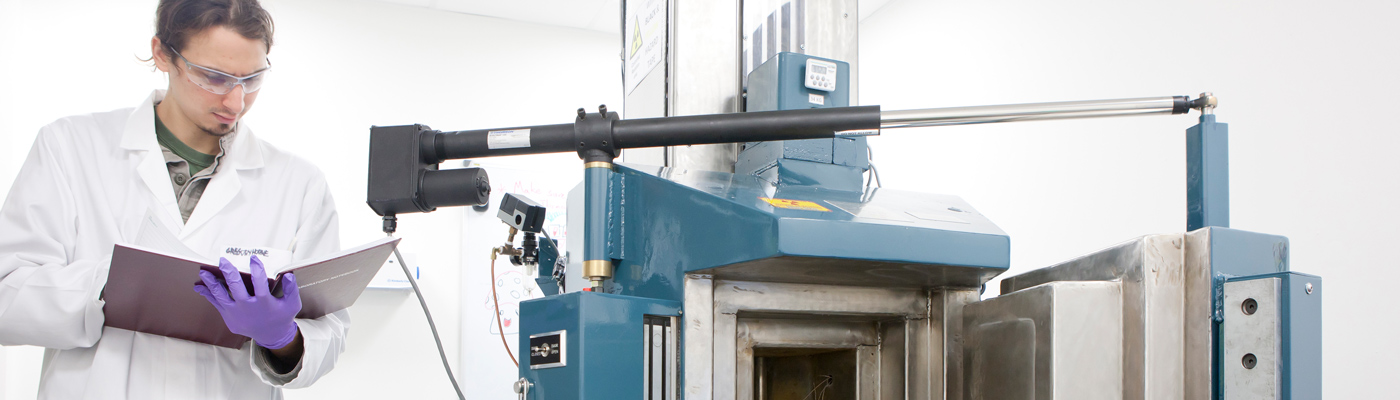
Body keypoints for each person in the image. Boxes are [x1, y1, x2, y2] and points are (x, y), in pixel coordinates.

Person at [0, 0, 348, 398]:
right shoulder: (70, 147)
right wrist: (107, 284)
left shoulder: (298, 182)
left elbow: (330, 330)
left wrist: (282, 337)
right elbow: (7, 294)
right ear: (162, 53)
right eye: (213, 77)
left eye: (251, 79)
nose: (235, 102)